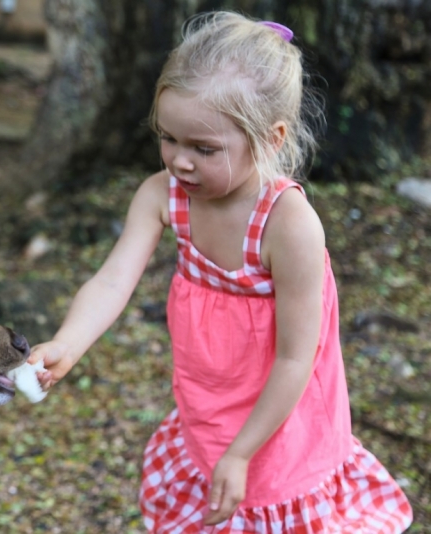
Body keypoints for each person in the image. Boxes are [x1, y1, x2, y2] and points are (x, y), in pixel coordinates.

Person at [28, 11, 413, 533]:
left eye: (204, 149)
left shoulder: (289, 226)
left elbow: (298, 357)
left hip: (280, 410)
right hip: (209, 398)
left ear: (271, 139)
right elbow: (113, 280)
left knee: (266, 499)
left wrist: (242, 452)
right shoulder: (161, 194)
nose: (180, 162)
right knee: (213, 496)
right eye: (169, 139)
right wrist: (68, 343)